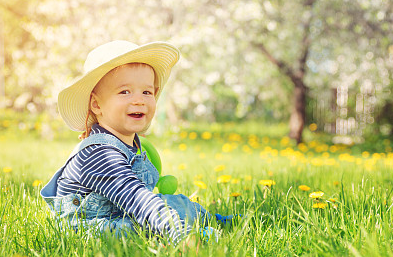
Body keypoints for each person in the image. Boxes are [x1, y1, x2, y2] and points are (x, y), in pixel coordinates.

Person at [40, 40, 234, 245]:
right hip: (92, 227)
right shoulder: (100, 153)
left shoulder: (129, 142)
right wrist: (176, 230)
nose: (139, 100)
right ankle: (185, 234)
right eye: (125, 92)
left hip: (123, 212)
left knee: (179, 204)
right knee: (134, 229)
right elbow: (136, 199)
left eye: (147, 92)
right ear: (96, 104)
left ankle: (216, 222)